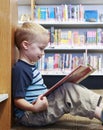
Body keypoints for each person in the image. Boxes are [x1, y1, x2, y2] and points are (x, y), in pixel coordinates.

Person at [12, 22, 103, 127]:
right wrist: (34, 108)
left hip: (37, 109)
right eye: (41, 48)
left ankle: (99, 106)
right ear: (25, 45)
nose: (43, 53)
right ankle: (99, 113)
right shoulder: (20, 69)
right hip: (30, 116)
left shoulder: (29, 66)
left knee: (68, 87)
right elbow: (18, 100)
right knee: (67, 90)